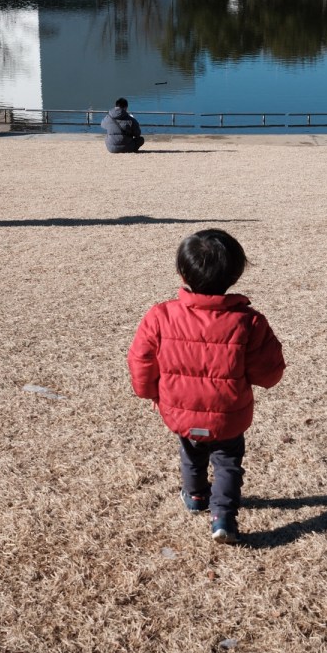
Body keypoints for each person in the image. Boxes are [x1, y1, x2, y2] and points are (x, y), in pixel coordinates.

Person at [127, 229, 286, 544]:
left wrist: (148, 392)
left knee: (191, 451)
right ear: (235, 275)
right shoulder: (249, 322)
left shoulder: (160, 316)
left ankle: (196, 496)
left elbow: (141, 360)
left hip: (180, 411)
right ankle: (223, 517)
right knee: (227, 462)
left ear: (182, 272)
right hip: (228, 415)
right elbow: (268, 372)